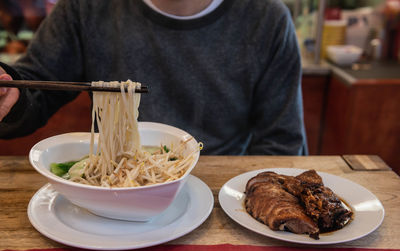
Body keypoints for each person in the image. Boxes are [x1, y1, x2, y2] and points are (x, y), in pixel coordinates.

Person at [0, 0, 307, 155]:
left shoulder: (266, 19)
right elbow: (34, 85)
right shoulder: (86, 7)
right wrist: (9, 93)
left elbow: (282, 143)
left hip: (221, 195)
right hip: (111, 185)